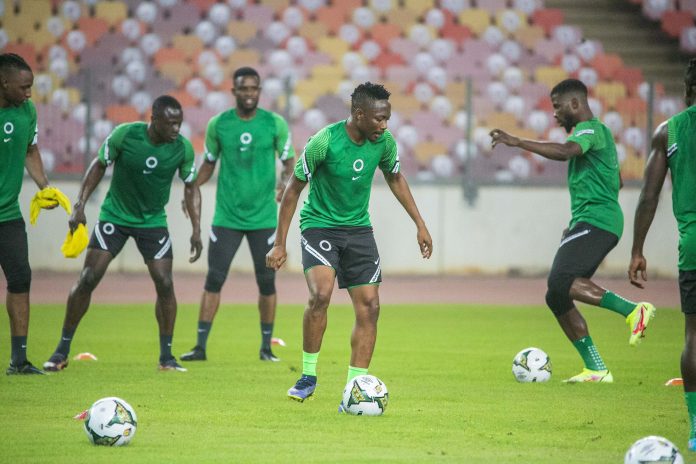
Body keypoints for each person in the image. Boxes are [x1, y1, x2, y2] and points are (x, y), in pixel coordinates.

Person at [266, 82, 432, 404]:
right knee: (321, 295)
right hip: (320, 226)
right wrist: (279, 243)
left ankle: (355, 389)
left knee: (370, 307)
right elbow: (292, 191)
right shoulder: (324, 142)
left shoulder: (384, 143)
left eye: (387, 119)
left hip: (358, 230)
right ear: (359, 115)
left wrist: (420, 224)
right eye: (379, 119)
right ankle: (307, 376)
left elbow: (395, 177)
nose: (384, 126)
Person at [490, 78, 655, 383]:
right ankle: (595, 368)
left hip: (598, 220)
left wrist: (519, 142)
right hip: (592, 220)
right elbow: (616, 181)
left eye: (557, 106)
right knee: (556, 295)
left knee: (561, 279)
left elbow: (567, 151)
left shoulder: (589, 129)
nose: (555, 114)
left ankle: (634, 311)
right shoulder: (600, 137)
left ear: (576, 104)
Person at [43, 95, 202, 373]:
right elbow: (98, 165)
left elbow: (191, 186)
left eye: (179, 123)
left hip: (152, 221)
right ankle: (61, 351)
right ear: (153, 119)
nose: (177, 129)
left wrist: (197, 229)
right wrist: (79, 205)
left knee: (165, 283)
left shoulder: (182, 149)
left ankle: (166, 358)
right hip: (114, 217)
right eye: (171, 123)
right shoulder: (125, 135)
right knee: (88, 278)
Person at [180, 67, 295, 363]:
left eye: (254, 89)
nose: (249, 94)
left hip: (264, 219)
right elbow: (208, 163)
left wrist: (284, 184)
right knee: (214, 279)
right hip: (227, 217)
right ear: (234, 92)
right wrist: (193, 187)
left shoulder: (274, 124)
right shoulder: (219, 125)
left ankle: (266, 348)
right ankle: (200, 346)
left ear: (259, 91)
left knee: (267, 283)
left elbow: (289, 162)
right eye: (243, 89)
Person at [629, 58, 696, 450]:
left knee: (693, 335)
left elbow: (649, 195)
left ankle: (694, 428)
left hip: (693, 245)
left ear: (686, 91)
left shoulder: (668, 131)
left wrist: (637, 250)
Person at [1, 53, 66, 375]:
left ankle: (19, 360)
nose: (29, 93)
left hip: (8, 214)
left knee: (21, 278)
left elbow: (30, 150)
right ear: (4, 83)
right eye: (24, 87)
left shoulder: (27, 111)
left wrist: (44, 187)